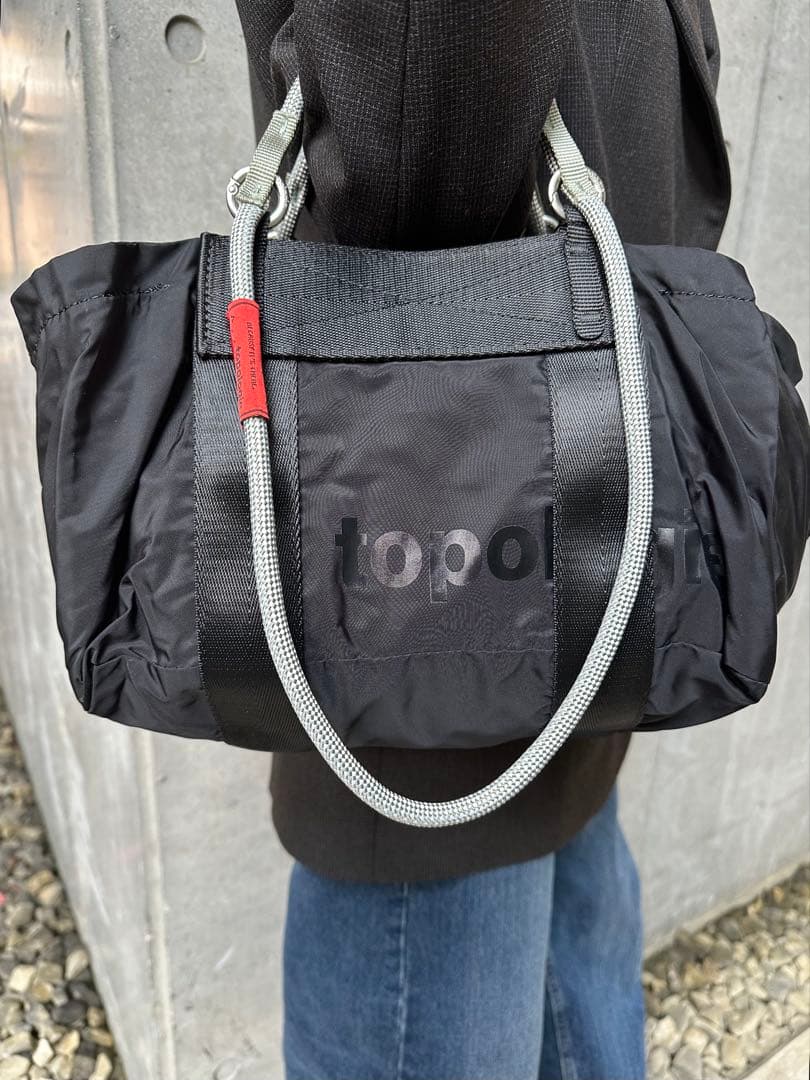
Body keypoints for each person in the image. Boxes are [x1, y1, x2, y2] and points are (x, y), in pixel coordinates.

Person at [234, 2, 730, 1077]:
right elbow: (416, 80)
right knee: (534, 915)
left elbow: (415, 102)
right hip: (521, 484)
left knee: (525, 883)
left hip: (492, 503)